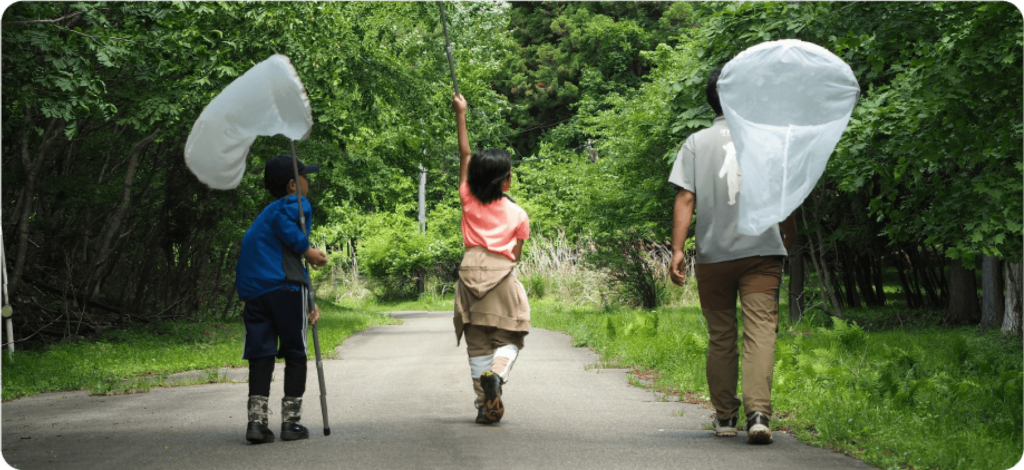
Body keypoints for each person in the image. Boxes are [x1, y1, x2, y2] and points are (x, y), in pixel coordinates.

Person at [668, 68, 796, 444]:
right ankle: (758, 414)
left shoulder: (696, 142)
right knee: (760, 331)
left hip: (714, 255)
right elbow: (781, 199)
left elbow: (686, 198)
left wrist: (677, 250)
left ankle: (725, 417)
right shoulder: (765, 140)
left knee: (721, 335)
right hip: (761, 253)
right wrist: (789, 236)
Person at [236, 154, 329, 444]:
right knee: (295, 351)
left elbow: (281, 254)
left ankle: (257, 422)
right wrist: (308, 250)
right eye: (304, 176)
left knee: (261, 354)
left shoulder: (264, 214)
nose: (308, 181)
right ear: (292, 184)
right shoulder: (294, 204)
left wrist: (310, 301)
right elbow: (286, 229)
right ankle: (291, 422)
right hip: (284, 289)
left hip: (256, 292)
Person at [451, 94, 531, 424]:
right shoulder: (517, 213)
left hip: (469, 272)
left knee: (477, 345)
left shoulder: (468, 199)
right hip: (500, 275)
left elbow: (465, 153)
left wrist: (461, 114)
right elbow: (515, 254)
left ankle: (484, 406)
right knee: (510, 336)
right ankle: (498, 373)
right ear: (506, 181)